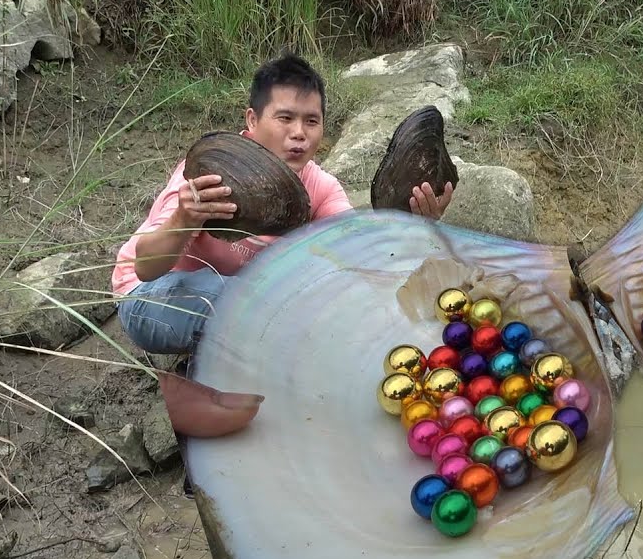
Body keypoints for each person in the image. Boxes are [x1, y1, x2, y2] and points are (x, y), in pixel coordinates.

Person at [112, 53, 454, 437]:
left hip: (244, 305)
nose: (299, 133)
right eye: (285, 118)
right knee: (245, 303)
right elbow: (146, 268)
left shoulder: (319, 187)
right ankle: (201, 421)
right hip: (150, 298)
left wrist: (413, 224)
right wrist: (184, 218)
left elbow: (362, 256)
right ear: (252, 121)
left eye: (312, 121)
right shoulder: (214, 173)